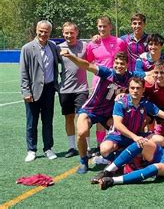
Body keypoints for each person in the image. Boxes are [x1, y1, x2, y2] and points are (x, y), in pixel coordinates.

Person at [60, 51, 145, 174]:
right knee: (82, 133)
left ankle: (120, 159)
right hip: (91, 109)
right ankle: (83, 161)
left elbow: (149, 75)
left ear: (127, 65)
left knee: (122, 131)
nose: (119, 66)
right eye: (116, 63)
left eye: (122, 63)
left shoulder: (130, 77)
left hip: (108, 114)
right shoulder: (107, 73)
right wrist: (70, 56)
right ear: (113, 63)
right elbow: (86, 65)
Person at [100, 77, 164, 161]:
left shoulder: (146, 103)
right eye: (132, 88)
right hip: (118, 136)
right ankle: (122, 158)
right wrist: (134, 137)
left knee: (160, 140)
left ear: (143, 89)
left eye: (138, 88)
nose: (135, 90)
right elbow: (118, 125)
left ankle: (136, 157)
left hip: (137, 135)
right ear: (128, 89)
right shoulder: (120, 102)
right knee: (105, 149)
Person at [20, 20, 62, 162]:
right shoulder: (27, 48)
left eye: (46, 31)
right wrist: (26, 92)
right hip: (33, 90)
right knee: (32, 122)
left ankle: (48, 148)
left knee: (48, 121)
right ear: (36, 30)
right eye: (41, 31)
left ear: (50, 32)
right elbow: (24, 72)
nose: (43, 34)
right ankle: (31, 150)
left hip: (49, 89)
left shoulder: (53, 46)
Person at [86, 16, 126, 149]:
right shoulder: (92, 44)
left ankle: (116, 142)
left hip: (117, 85)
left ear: (110, 27)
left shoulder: (119, 42)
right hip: (99, 86)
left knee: (118, 113)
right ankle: (99, 145)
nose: (102, 29)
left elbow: (125, 61)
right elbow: (90, 62)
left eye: (105, 26)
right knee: (99, 116)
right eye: (100, 26)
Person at [58, 22, 88, 158]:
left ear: (77, 32)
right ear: (63, 33)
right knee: (69, 118)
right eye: (66, 33)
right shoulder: (58, 48)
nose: (69, 35)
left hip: (82, 89)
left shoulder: (85, 46)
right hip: (65, 90)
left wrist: (96, 38)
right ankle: (71, 147)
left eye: (72, 32)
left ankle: (86, 147)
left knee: (83, 118)